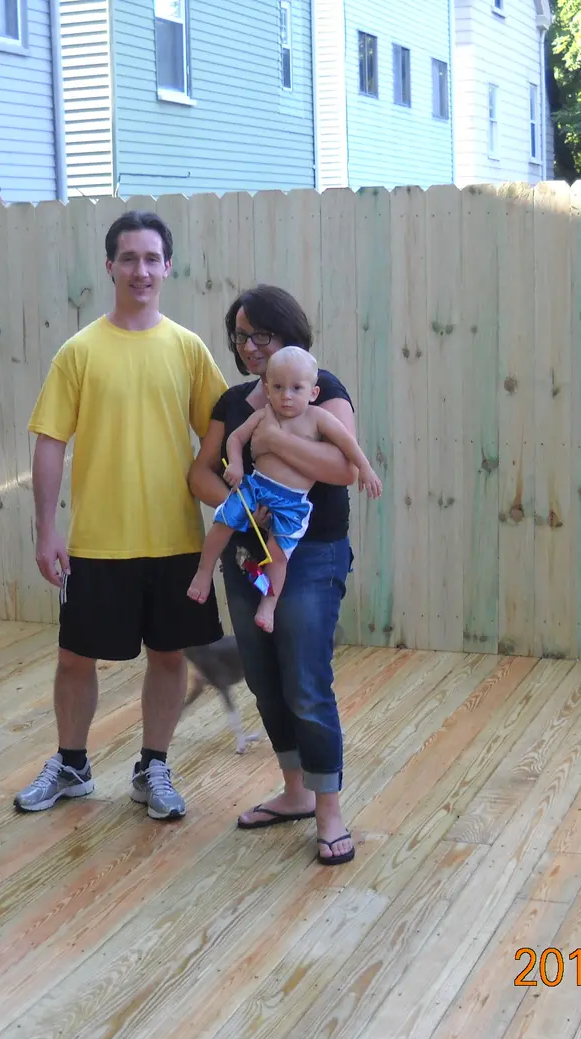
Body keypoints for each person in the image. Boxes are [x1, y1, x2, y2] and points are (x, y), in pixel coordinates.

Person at [15, 209, 228, 821]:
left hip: (174, 541)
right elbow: (50, 442)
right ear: (109, 266)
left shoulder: (188, 350)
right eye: (128, 258)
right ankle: (73, 766)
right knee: (75, 658)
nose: (141, 270)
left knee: (168, 658)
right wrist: (46, 530)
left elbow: (220, 434)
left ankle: (152, 767)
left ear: (168, 267)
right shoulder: (79, 352)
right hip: (98, 545)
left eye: (151, 259)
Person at [188, 285, 364, 866]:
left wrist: (271, 439)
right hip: (249, 555)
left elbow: (342, 468)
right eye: (241, 336)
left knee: (307, 681)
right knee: (263, 677)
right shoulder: (233, 402)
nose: (250, 346)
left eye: (261, 333)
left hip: (312, 558)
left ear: (289, 335)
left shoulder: (320, 388)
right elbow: (201, 477)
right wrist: (244, 506)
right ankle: (294, 793)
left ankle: (329, 811)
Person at [188, 346, 381, 633]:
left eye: (296, 388)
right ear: (267, 390)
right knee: (223, 523)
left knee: (278, 556)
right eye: (278, 388)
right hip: (256, 488)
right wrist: (237, 466)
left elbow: (347, 443)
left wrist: (365, 467)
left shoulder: (317, 418)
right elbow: (236, 439)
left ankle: (269, 605)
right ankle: (203, 573)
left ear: (313, 393)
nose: (286, 396)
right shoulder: (263, 415)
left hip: (292, 503)